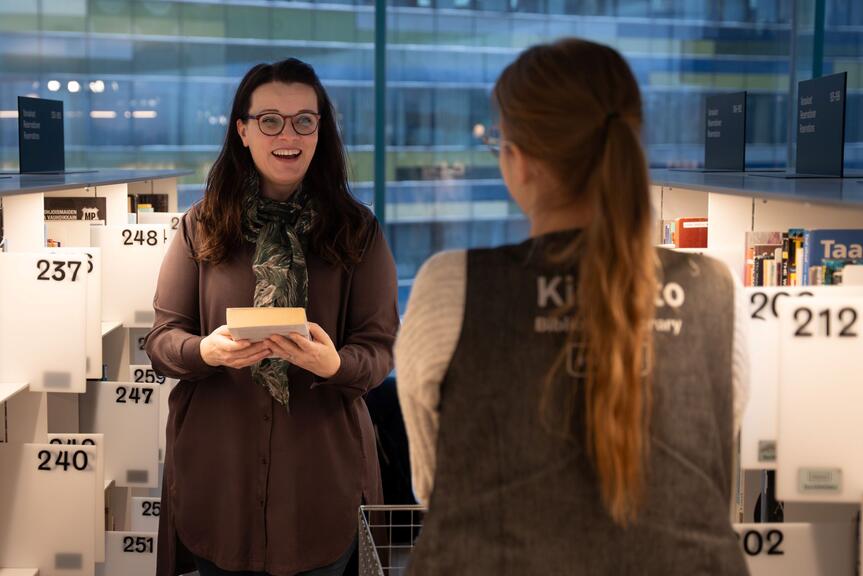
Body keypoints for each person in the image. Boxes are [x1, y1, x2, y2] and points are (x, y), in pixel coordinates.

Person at [395, 38, 750, 574]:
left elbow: (434, 483)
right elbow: (714, 465)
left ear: (518, 161)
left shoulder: (452, 287)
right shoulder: (714, 290)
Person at [145, 58, 399, 576]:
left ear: (320, 130)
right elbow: (162, 340)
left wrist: (336, 365)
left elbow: (379, 349)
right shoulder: (200, 225)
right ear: (242, 130)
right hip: (219, 480)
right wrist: (205, 351)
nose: (289, 135)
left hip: (320, 483)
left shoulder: (358, 230)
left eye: (304, 120)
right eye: (270, 120)